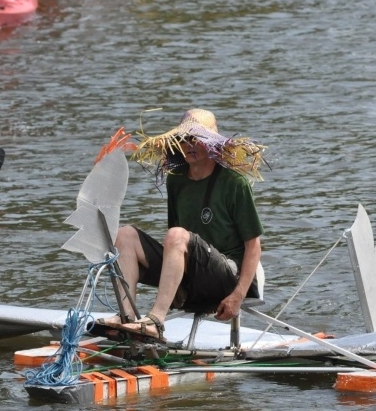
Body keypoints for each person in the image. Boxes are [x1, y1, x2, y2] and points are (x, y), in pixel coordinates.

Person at [98, 108, 267, 341]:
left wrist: (237, 295)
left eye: (196, 139)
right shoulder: (176, 180)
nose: (189, 144)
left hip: (227, 278)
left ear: (212, 144)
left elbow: (254, 246)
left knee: (176, 235)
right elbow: (175, 243)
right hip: (192, 273)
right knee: (125, 234)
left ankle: (156, 321)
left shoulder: (234, 183)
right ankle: (127, 318)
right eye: (183, 139)